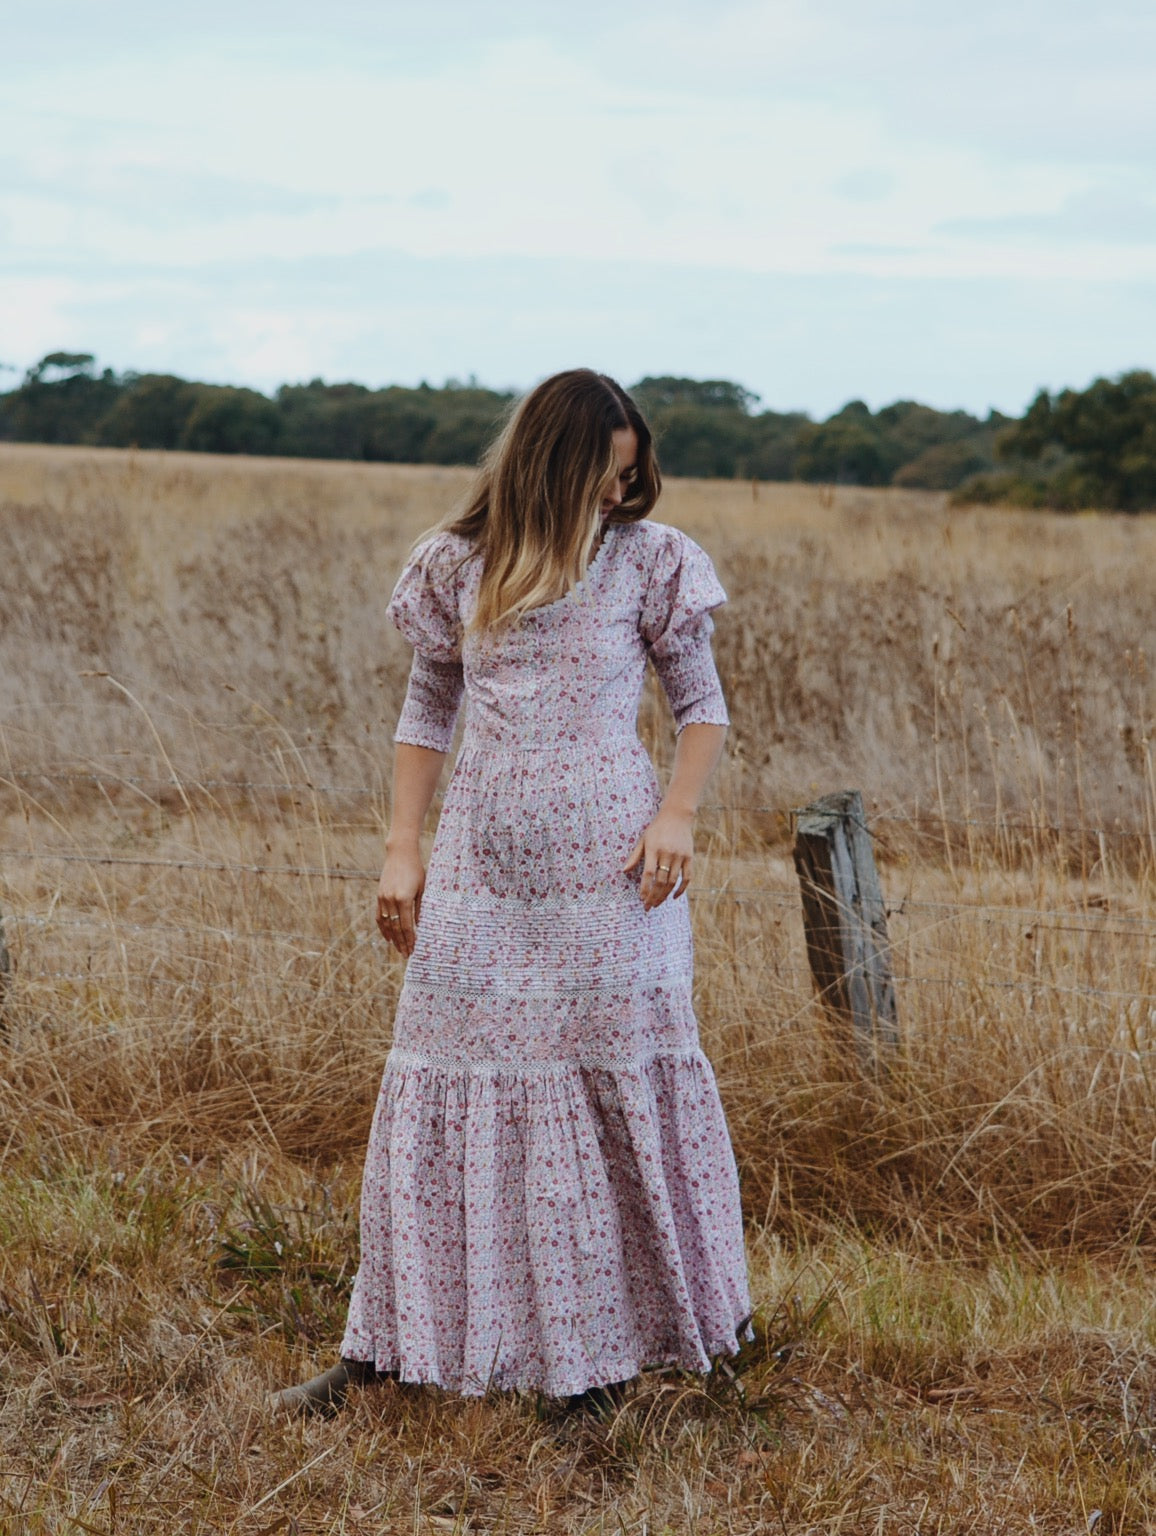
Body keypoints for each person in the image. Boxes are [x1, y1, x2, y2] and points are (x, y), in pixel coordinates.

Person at [272, 369, 750, 1414]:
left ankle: (601, 1366)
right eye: (602, 478)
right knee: (442, 1073)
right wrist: (403, 849)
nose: (617, 498)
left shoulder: (648, 561)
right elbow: (426, 704)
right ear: (551, 464)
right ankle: (385, 1353)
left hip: (612, 873)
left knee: (594, 1082)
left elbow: (702, 704)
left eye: (629, 479)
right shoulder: (457, 563)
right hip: (481, 865)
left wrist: (676, 814)